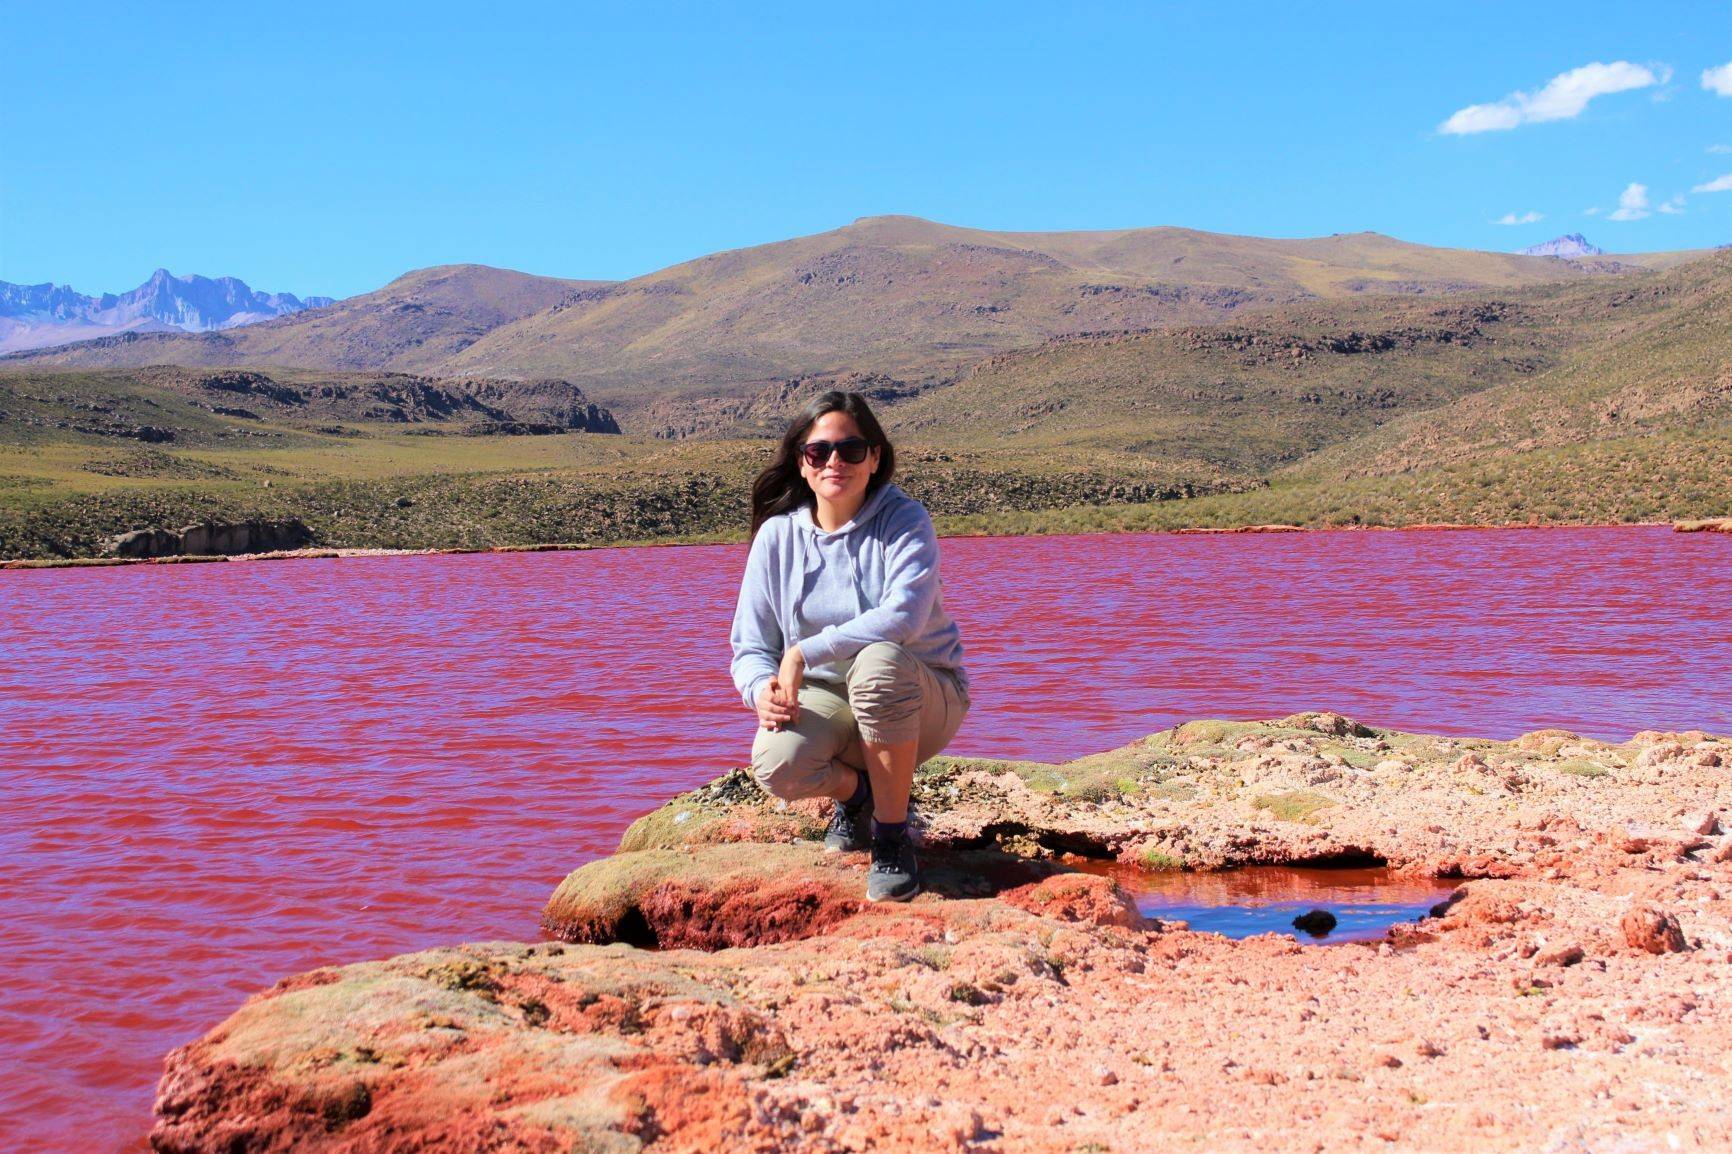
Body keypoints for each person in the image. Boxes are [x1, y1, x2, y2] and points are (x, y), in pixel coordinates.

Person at [730, 391, 970, 902]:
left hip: (920, 695)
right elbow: (750, 645)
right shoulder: (776, 538)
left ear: (874, 458)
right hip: (830, 698)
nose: (834, 461)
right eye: (819, 451)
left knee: (878, 662)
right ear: (802, 462)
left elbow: (902, 619)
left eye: (851, 449)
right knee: (778, 762)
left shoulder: (905, 521)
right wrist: (761, 690)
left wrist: (801, 653)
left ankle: (891, 838)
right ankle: (859, 796)